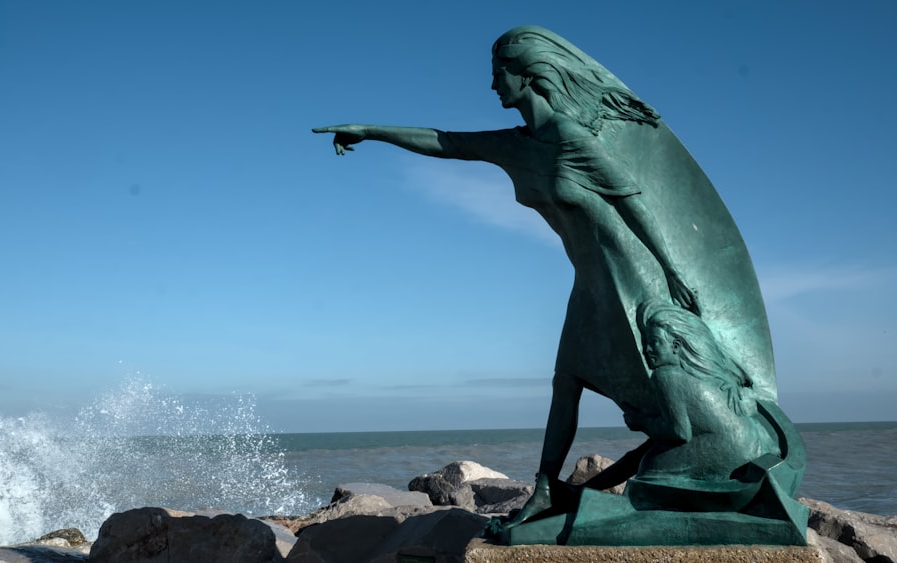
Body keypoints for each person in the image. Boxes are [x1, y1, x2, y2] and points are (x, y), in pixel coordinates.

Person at [314, 25, 751, 525]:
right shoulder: (515, 145)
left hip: (631, 280)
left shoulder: (572, 139)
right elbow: (446, 142)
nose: (493, 86)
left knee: (653, 387)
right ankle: (546, 488)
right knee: (566, 381)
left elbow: (634, 206)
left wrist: (671, 271)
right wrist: (370, 131)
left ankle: (695, 464)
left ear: (529, 78)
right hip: (588, 284)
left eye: (499, 75)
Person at [629, 301, 778, 481]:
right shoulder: (705, 375)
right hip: (755, 444)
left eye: (654, 343)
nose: (647, 350)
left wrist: (642, 421)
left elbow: (680, 433)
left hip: (732, 451)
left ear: (675, 346)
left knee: (649, 467)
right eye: (646, 343)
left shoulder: (666, 375)